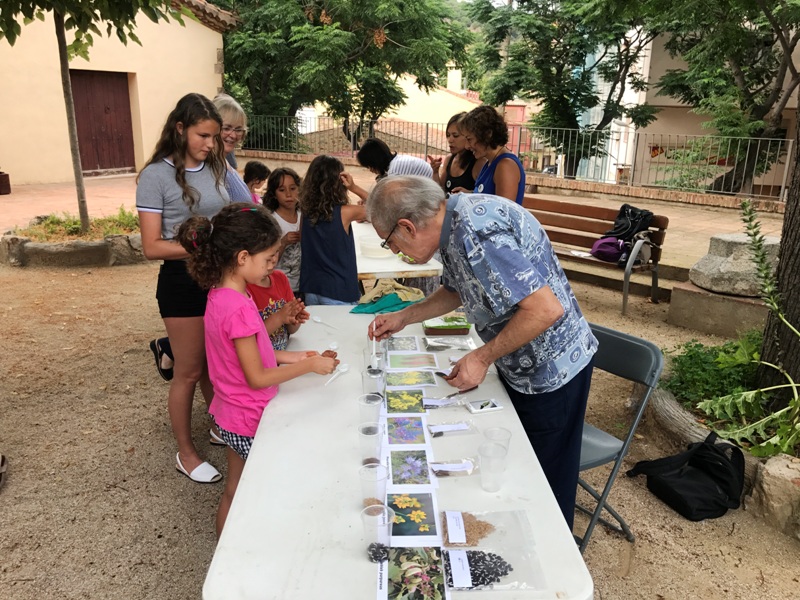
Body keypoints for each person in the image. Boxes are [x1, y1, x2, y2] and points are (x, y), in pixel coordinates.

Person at [367, 176, 597, 530]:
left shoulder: (477, 232)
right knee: (517, 463)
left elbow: (544, 310)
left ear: (407, 227)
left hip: (552, 370)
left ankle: (556, 559)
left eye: (390, 243)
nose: (395, 253)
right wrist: (405, 316)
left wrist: (480, 357)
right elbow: (457, 289)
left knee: (546, 477)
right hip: (524, 363)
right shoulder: (451, 223)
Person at [176, 202, 338, 535]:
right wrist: (308, 364)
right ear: (242, 257)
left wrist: (292, 357)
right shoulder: (238, 307)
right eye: (268, 260)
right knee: (270, 489)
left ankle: (225, 553)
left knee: (235, 488)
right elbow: (257, 376)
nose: (272, 268)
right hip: (250, 419)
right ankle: (258, 549)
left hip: (231, 415)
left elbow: (245, 351)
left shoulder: (222, 296)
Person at [136, 93, 230, 483]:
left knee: (216, 361)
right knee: (189, 372)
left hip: (219, 278)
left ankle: (218, 424)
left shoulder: (217, 166)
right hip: (182, 283)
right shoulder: (155, 176)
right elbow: (151, 246)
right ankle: (186, 453)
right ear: (180, 129)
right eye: (203, 135)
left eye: (215, 136)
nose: (210, 144)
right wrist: (201, 246)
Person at [299, 155, 366, 305]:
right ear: (339, 182)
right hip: (338, 291)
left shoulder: (305, 212)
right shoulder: (345, 212)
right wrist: (354, 187)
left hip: (312, 288)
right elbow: (382, 208)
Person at [458, 105, 526, 204]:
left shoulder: (505, 165)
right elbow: (490, 196)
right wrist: (469, 194)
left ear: (487, 135)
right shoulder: (490, 162)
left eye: (469, 139)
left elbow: (503, 212)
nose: (467, 146)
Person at [264, 167, 302, 294]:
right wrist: (283, 242)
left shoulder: (304, 216)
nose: (288, 194)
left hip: (304, 285)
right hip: (280, 287)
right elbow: (265, 261)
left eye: (292, 188)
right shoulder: (272, 221)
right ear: (274, 194)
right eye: (281, 190)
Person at [429, 112, 486, 196]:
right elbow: (440, 192)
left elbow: (486, 196)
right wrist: (435, 172)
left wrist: (469, 193)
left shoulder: (479, 162)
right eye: (448, 135)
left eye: (455, 136)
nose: (450, 140)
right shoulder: (449, 159)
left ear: (468, 136)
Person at [213, 94, 252, 203]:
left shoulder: (226, 164)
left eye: (238, 129)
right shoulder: (207, 167)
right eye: (226, 128)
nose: (233, 135)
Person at [356, 137, 433, 180]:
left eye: (370, 166)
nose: (370, 170)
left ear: (376, 161)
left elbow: (394, 200)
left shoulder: (396, 169)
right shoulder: (398, 162)